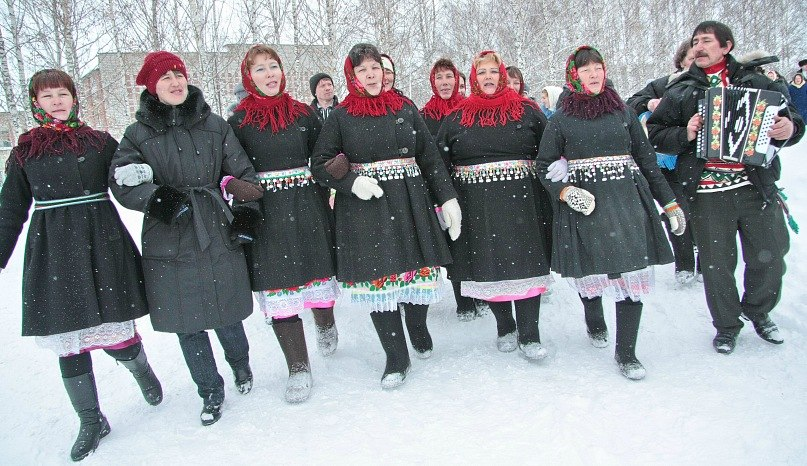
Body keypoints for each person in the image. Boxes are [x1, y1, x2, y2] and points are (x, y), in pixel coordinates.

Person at [0, 69, 161, 461]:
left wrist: (143, 176)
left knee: (116, 332)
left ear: (74, 97)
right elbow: (10, 207)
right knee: (68, 339)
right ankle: (91, 419)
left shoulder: (100, 142)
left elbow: (123, 183)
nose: (56, 101)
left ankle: (140, 368)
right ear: (35, 103)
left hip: (101, 241)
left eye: (62, 94)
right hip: (53, 249)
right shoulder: (25, 150)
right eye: (47, 96)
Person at [110, 51, 263, 425]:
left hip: (214, 225)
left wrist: (245, 214)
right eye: (166, 78)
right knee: (187, 320)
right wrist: (159, 200)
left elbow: (243, 172)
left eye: (179, 75)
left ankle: (241, 365)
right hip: (170, 234)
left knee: (226, 309)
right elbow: (122, 180)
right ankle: (210, 391)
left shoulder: (215, 125)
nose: (175, 82)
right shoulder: (137, 134)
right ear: (152, 88)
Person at [647, 21, 804, 354]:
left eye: (707, 41)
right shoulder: (681, 89)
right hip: (707, 193)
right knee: (718, 265)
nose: (700, 46)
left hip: (753, 186)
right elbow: (656, 135)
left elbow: (792, 120)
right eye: (696, 42)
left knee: (770, 258)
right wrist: (685, 133)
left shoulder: (757, 81)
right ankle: (727, 326)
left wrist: (788, 127)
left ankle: (758, 311)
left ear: (726, 46)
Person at [312, 43, 461, 389]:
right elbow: (318, 166)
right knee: (379, 280)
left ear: (383, 70)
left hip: (410, 202)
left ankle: (418, 325)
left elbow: (430, 159)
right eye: (362, 70)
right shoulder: (341, 116)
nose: (371, 75)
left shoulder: (406, 108)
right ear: (353, 77)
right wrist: (351, 183)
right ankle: (396, 356)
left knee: (416, 272)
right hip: (367, 208)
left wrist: (448, 198)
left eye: (375, 67)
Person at [537, 46, 686, 379]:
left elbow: (647, 161)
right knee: (591, 273)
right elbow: (543, 164)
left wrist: (670, 202)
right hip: (584, 205)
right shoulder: (561, 118)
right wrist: (564, 190)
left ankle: (627, 353)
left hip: (626, 201)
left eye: (598, 67)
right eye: (585, 69)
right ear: (573, 76)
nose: (593, 74)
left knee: (630, 276)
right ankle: (594, 318)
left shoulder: (623, 112)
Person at [228, 45, 338, 403]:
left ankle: (325, 321)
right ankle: (298, 367)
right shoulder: (238, 122)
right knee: (279, 288)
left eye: (273, 66)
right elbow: (227, 167)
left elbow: (319, 156)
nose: (269, 74)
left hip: (307, 205)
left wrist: (332, 169)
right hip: (267, 212)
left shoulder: (303, 114)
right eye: (259, 69)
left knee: (317, 274)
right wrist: (232, 184)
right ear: (249, 78)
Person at [437, 50, 553, 359]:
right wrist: (445, 201)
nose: (488, 77)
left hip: (525, 205)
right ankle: (505, 327)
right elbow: (439, 163)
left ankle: (530, 334)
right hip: (478, 207)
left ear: (502, 75)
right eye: (482, 72)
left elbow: (551, 150)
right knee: (492, 266)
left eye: (493, 71)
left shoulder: (527, 111)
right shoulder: (457, 117)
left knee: (527, 265)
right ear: (473, 78)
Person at [626, 40, 699, 285]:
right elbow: (631, 103)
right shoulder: (664, 85)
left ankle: (704, 259)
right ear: (681, 61)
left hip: (696, 162)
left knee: (699, 213)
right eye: (691, 58)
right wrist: (649, 103)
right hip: (664, 164)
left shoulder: (711, 87)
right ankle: (685, 265)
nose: (695, 62)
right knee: (676, 210)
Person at [420, 57, 481, 321]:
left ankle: (478, 291)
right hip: (439, 186)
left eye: (449, 77)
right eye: (439, 78)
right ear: (432, 82)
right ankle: (463, 299)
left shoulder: (469, 109)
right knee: (452, 241)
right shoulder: (423, 115)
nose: (445, 83)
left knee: (473, 239)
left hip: (468, 184)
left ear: (458, 80)